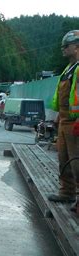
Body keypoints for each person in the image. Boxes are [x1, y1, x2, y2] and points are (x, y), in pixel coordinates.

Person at [47, 30, 79, 213]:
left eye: (66, 46)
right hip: (65, 120)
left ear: (77, 46)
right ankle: (67, 192)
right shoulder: (69, 69)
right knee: (64, 158)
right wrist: (59, 114)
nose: (63, 49)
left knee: (77, 160)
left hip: (75, 122)